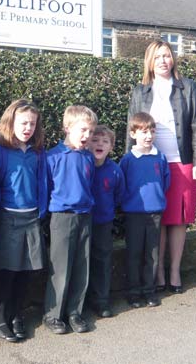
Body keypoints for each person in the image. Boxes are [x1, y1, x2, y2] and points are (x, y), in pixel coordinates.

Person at [126, 40, 196, 293]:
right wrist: (127, 164)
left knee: (179, 220)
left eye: (167, 55)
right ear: (149, 61)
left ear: (173, 59)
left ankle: (174, 272)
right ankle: (157, 273)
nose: (163, 60)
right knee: (157, 219)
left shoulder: (188, 87)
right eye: (158, 56)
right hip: (151, 165)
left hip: (182, 163)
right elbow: (131, 129)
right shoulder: (140, 91)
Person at [0, 99, 48, 342]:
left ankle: (17, 315)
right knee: (8, 271)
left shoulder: (38, 152)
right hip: (9, 218)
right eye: (23, 123)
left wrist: (42, 211)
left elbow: (42, 182)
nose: (27, 128)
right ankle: (1, 319)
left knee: (26, 271)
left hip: (32, 218)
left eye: (32, 124)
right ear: (10, 123)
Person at [43, 105, 98, 335]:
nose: (87, 136)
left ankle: (75, 312)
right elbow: (45, 188)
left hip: (85, 216)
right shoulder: (52, 156)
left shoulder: (88, 157)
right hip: (61, 217)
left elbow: (89, 184)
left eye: (91, 132)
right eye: (83, 130)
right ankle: (53, 314)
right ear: (67, 128)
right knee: (61, 268)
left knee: (81, 266)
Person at [120, 112, 170, 308]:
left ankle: (149, 291)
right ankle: (133, 292)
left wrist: (156, 200)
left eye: (152, 131)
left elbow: (165, 182)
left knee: (152, 254)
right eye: (143, 132)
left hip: (155, 213)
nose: (148, 136)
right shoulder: (128, 160)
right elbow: (121, 185)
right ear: (133, 134)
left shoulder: (160, 158)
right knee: (134, 254)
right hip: (134, 214)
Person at [86, 125, 125, 319]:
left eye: (105, 141)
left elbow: (119, 195)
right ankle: (81, 301)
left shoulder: (115, 171)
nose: (100, 144)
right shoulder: (83, 165)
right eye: (95, 140)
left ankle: (101, 301)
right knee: (82, 261)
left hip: (104, 223)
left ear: (111, 147)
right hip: (83, 221)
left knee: (102, 261)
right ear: (87, 143)